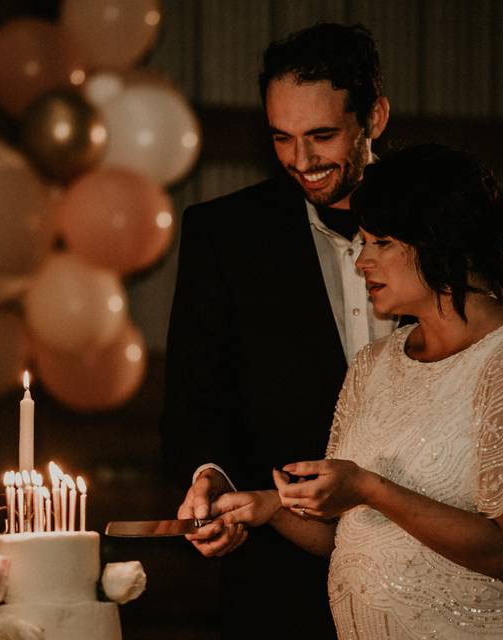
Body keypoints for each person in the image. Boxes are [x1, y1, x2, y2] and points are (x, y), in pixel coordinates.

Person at [212, 144, 503, 639]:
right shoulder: (374, 365)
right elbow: (348, 535)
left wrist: (370, 487)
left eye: (381, 242)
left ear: (441, 241)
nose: (361, 262)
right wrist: (269, 508)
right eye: (363, 242)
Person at [159, 23, 394, 639]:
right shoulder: (223, 235)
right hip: (282, 584)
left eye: (321, 135)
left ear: (375, 116)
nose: (301, 161)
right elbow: (195, 402)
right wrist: (212, 479)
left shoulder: (445, 220)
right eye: (281, 138)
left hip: (432, 562)